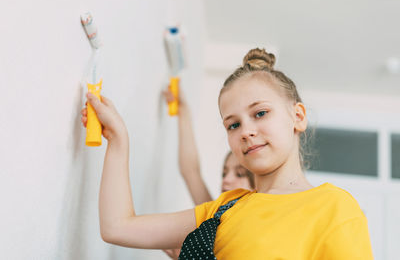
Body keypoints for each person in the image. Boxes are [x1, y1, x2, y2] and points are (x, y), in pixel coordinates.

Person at [81, 48, 373, 259]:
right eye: (233, 124)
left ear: (297, 116)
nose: (246, 131)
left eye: (260, 113)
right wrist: (119, 140)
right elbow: (117, 227)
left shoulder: (334, 208)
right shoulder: (222, 209)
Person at [162, 89, 255, 259]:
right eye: (224, 173)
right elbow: (191, 172)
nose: (226, 180)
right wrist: (184, 114)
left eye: (240, 174)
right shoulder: (216, 216)